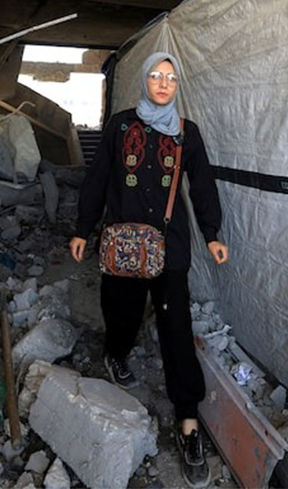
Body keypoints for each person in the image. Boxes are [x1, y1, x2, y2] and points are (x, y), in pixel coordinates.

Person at [69, 51, 229, 488]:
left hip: (170, 247)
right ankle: (116, 351)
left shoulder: (185, 133)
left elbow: (203, 185)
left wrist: (212, 234)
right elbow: (99, 177)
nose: (163, 83)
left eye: (171, 78)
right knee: (121, 311)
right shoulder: (121, 126)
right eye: (156, 76)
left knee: (176, 325)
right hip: (123, 242)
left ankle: (188, 422)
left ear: (178, 86)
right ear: (145, 80)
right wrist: (84, 227)